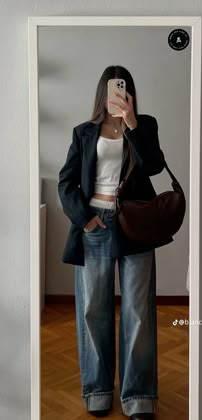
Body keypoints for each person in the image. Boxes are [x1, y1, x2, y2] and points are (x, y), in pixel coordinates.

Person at [58, 65, 166, 420]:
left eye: (122, 89)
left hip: (133, 224)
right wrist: (82, 217)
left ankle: (138, 398)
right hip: (95, 225)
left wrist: (131, 121)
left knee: (138, 311)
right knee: (93, 310)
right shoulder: (84, 132)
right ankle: (98, 389)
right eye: (111, 89)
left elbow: (153, 167)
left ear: (129, 92)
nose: (116, 94)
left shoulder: (144, 125)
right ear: (102, 93)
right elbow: (67, 181)